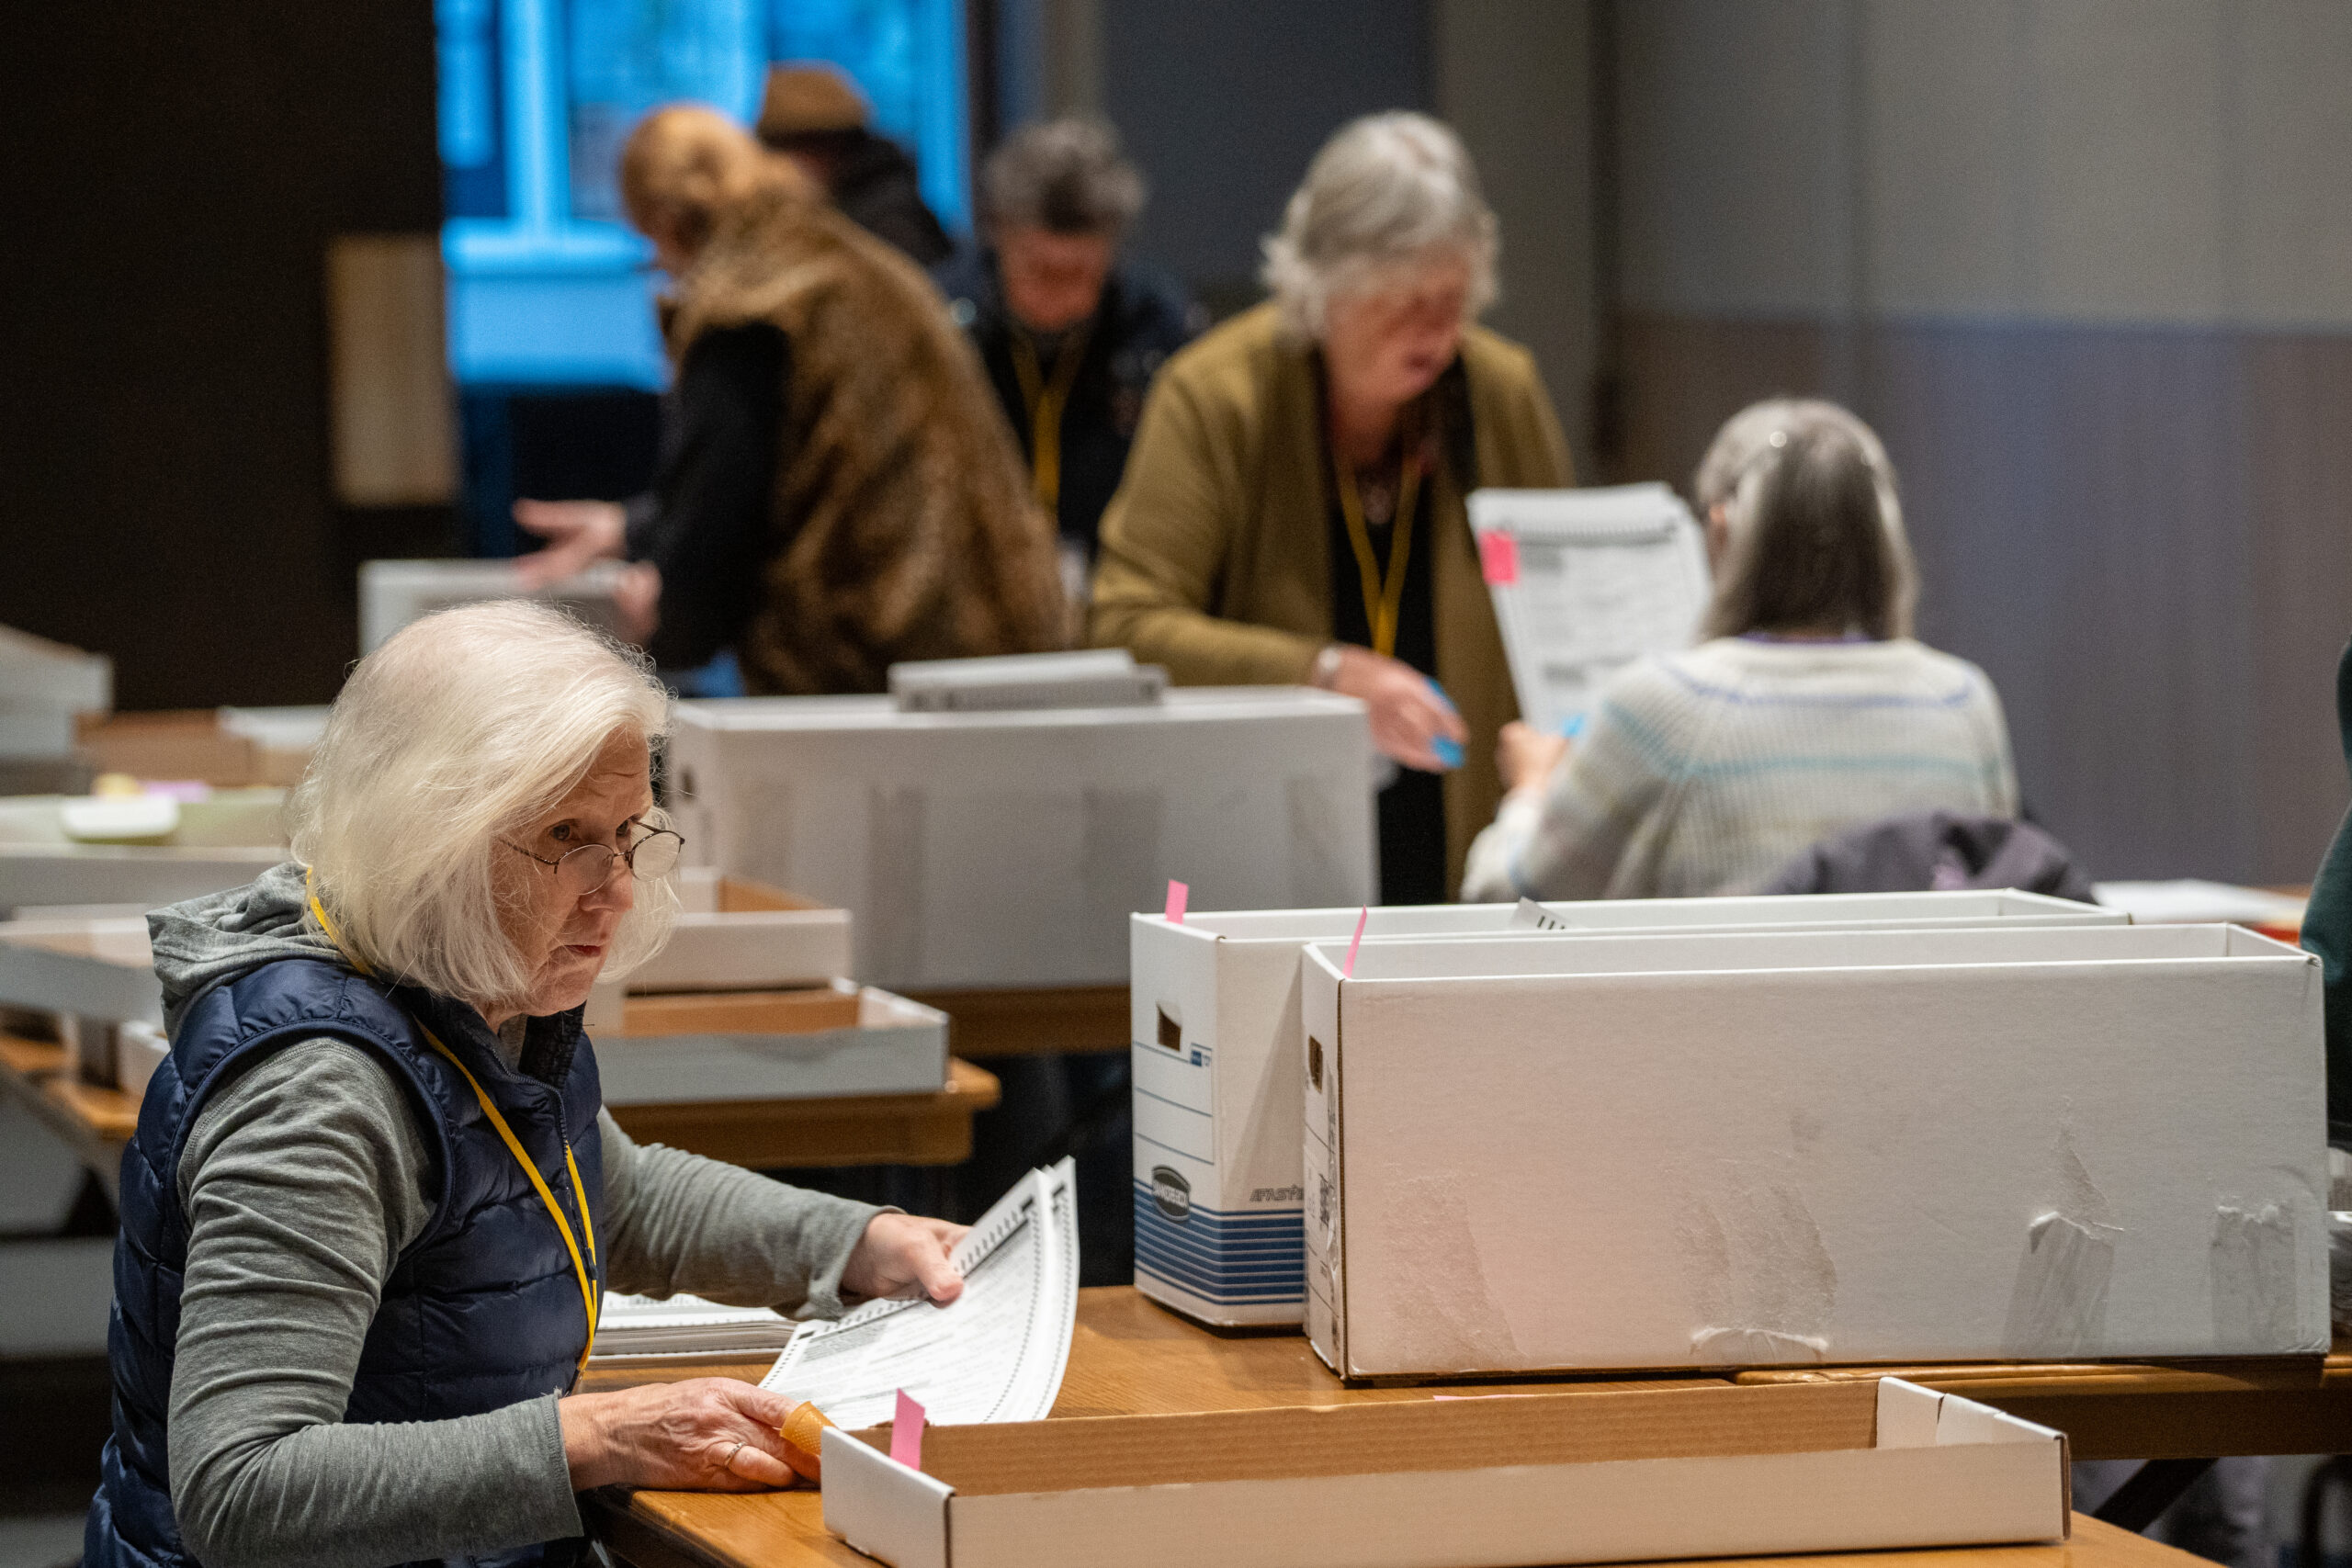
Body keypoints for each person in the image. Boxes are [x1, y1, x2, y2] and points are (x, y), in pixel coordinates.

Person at [85, 601, 971, 1568]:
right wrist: (599, 1437)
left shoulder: (464, 992)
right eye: (565, 835)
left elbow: (604, 1194)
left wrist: (858, 1242)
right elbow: (243, 1489)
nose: (618, 885)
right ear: (429, 836)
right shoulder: (319, 1102)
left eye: (628, 831)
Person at [1090, 112, 1572, 903]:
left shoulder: (1500, 391)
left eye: (1453, 298)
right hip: (1264, 867)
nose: (1438, 331)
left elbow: (1566, 618)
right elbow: (1126, 623)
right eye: (1403, 301)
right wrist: (1320, 673)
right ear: (1325, 285)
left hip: (1467, 866)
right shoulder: (1216, 396)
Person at [514, 106, 1067, 694]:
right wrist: (631, 526)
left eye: (653, 252)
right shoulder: (854, 263)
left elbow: (717, 536)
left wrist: (657, 617)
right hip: (993, 657)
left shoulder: (750, 306)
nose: (664, 277)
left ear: (671, 223)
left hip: (870, 684)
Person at [1459, 399, 2019, 902]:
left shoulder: (1668, 706)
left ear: (1722, 531)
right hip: (1926, 1019)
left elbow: (1506, 904)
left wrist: (1531, 791)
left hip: (1727, 1021)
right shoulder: (1963, 703)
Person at [934, 118, 1202, 590]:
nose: (1057, 295)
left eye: (1080, 273)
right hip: (970, 589)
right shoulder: (941, 320)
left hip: (1116, 585)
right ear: (999, 235)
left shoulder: (1157, 326)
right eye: (1039, 270)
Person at [755, 62, 952, 266]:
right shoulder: (848, 205)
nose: (781, 166)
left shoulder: (887, 221)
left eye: (784, 149)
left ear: (830, 145)